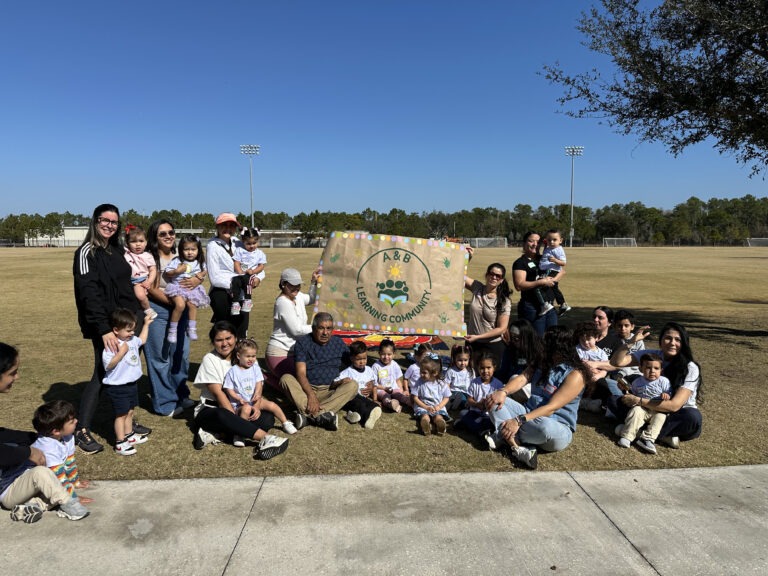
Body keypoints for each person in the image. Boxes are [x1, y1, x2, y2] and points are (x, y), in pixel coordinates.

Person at [73, 203, 144, 454]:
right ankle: (81, 430)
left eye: (114, 222)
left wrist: (138, 314)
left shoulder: (115, 250)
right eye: (105, 220)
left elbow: (125, 284)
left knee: (128, 368)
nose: (109, 225)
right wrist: (104, 329)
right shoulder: (86, 252)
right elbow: (88, 293)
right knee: (102, 373)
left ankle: (126, 423)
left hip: (128, 322)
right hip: (105, 326)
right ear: (95, 221)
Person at [0, 343, 90, 522]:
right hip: (8, 489)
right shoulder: (49, 446)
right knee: (44, 474)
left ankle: (32, 507)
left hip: (22, 486)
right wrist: (28, 451)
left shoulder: (63, 438)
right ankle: (69, 505)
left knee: (48, 484)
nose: (17, 377)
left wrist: (32, 438)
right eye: (12, 373)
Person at [484, 326, 590, 470]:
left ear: (559, 348)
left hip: (555, 426)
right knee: (493, 399)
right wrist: (503, 391)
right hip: (527, 414)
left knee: (543, 427)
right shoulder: (542, 361)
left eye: (547, 344)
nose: (542, 347)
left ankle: (502, 434)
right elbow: (522, 378)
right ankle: (518, 446)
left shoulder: (575, 375)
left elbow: (550, 408)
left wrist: (517, 420)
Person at [193, 322, 289, 460]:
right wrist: (236, 421)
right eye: (219, 340)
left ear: (235, 338)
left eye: (228, 338)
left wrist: (255, 407)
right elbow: (219, 395)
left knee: (267, 419)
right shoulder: (210, 359)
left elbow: (258, 385)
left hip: (243, 407)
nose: (225, 343)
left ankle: (218, 434)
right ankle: (267, 439)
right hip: (214, 410)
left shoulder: (247, 355)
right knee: (223, 415)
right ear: (213, 342)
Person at [609, 322, 704, 448]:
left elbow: (674, 406)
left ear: (683, 343)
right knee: (613, 400)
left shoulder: (690, 368)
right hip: (644, 409)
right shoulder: (652, 356)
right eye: (668, 338)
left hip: (671, 413)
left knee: (693, 418)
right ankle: (660, 436)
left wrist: (637, 400)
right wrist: (631, 341)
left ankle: (633, 431)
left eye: (677, 340)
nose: (672, 343)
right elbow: (616, 361)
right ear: (661, 340)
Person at [144, 219, 197, 418]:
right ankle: (165, 404)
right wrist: (174, 302)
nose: (168, 236)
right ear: (154, 238)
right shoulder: (150, 257)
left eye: (171, 232)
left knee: (181, 355)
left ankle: (181, 394)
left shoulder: (180, 255)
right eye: (162, 234)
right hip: (160, 310)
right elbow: (151, 287)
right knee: (160, 357)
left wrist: (197, 279)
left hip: (181, 310)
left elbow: (195, 273)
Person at [278, 312, 360, 431]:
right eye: (321, 328)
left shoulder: (338, 343)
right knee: (285, 379)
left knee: (352, 386)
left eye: (329, 328)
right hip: (306, 390)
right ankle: (322, 415)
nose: (325, 332)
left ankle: (311, 416)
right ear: (313, 328)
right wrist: (311, 395)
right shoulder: (303, 343)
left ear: (333, 329)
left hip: (330, 390)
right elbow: (300, 373)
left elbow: (355, 363)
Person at [222, 338, 297, 447]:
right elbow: (228, 389)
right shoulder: (233, 371)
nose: (251, 359)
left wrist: (257, 394)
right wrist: (238, 398)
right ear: (238, 356)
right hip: (240, 404)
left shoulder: (255, 368)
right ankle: (239, 434)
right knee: (246, 409)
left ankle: (285, 423)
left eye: (253, 356)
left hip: (255, 400)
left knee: (272, 405)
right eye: (248, 356)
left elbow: (258, 383)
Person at [102, 308, 154, 456]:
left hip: (131, 384)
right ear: (116, 330)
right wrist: (121, 353)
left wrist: (146, 325)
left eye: (133, 329)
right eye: (128, 330)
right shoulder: (112, 344)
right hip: (117, 386)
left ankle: (129, 435)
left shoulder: (131, 340)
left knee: (130, 411)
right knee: (121, 415)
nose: (132, 333)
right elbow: (108, 365)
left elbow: (142, 340)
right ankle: (120, 442)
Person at [264, 267, 320, 389]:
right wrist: (318, 327)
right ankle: (263, 377)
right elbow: (297, 330)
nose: (297, 288)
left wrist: (314, 282)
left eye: (298, 284)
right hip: (279, 352)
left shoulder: (298, 296)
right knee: (296, 387)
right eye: (293, 285)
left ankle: (268, 377)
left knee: (306, 381)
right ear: (283, 284)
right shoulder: (282, 302)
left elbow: (311, 298)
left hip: (295, 352)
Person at [30, 400, 93, 503]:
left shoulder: (66, 436)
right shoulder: (48, 448)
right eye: (72, 422)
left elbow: (70, 461)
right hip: (34, 483)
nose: (76, 421)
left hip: (50, 479)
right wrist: (72, 497)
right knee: (45, 499)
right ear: (56, 431)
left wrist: (75, 482)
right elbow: (59, 476)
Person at [616, 353, 671, 454]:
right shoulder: (637, 382)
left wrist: (666, 395)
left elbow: (668, 394)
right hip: (642, 408)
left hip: (657, 409)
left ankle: (647, 439)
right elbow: (633, 396)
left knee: (661, 417)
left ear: (661, 370)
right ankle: (627, 437)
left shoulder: (664, 381)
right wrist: (626, 393)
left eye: (656, 368)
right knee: (635, 411)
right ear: (641, 369)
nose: (652, 371)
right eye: (648, 368)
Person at [463, 253, 512, 366]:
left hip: (492, 346)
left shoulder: (504, 301)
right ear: (487, 275)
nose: (494, 277)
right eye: (491, 274)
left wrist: (478, 337)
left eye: (498, 276)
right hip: (472, 344)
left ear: (501, 280)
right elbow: (459, 274)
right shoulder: (477, 287)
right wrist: (468, 258)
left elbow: (501, 328)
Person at [206, 213, 249, 338]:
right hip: (221, 293)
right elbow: (214, 277)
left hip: (240, 293)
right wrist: (237, 282)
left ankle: (239, 356)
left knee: (241, 331)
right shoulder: (212, 246)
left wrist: (254, 278)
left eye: (232, 226)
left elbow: (249, 261)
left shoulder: (238, 242)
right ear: (217, 227)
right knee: (226, 332)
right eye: (224, 225)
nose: (228, 228)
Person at [164, 234, 210, 343]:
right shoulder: (177, 260)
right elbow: (168, 272)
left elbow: (205, 270)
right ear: (181, 250)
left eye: (193, 249)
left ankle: (192, 328)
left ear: (198, 250)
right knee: (180, 305)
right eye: (186, 249)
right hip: (177, 287)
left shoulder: (199, 262)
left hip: (192, 289)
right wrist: (176, 271)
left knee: (192, 305)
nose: (190, 252)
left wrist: (200, 276)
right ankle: (172, 330)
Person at [512, 231, 559, 335]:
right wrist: (540, 282)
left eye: (538, 242)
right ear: (524, 243)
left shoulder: (544, 259)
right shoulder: (520, 263)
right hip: (532, 308)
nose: (535, 244)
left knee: (553, 339)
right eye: (531, 241)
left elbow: (560, 271)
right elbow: (519, 285)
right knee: (537, 340)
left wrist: (553, 280)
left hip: (550, 306)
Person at [335, 340, 384, 428]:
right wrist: (341, 382)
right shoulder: (347, 372)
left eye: (364, 358)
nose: (362, 362)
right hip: (351, 398)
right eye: (358, 359)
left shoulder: (369, 370)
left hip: (365, 398)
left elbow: (374, 384)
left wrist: (374, 396)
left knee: (370, 404)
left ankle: (352, 416)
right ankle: (366, 419)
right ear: (351, 358)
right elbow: (335, 383)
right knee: (357, 403)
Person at [456, 352, 504, 434]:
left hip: (489, 415)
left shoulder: (498, 385)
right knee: (463, 414)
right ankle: (480, 430)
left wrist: (489, 404)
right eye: (482, 368)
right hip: (475, 412)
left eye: (488, 368)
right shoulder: (474, 382)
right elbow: (469, 399)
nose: (485, 371)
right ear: (477, 368)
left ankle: (474, 428)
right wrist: (477, 404)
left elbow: (501, 402)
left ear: (494, 368)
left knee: (491, 423)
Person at [496, 319, 541, 404]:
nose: (513, 341)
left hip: (529, 388)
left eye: (516, 338)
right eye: (512, 337)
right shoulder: (510, 350)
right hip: (509, 385)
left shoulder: (537, 351)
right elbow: (503, 372)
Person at [410, 354, 451, 436]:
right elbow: (415, 397)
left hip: (437, 406)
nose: (421, 374)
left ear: (435, 373)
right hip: (423, 406)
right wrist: (425, 407)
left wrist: (439, 406)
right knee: (424, 415)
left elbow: (446, 397)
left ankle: (440, 424)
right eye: (420, 371)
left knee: (438, 416)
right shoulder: (419, 382)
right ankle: (425, 425)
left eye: (424, 372)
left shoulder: (442, 384)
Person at [123, 224, 158, 319]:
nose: (138, 244)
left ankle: (148, 309)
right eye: (133, 241)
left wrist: (149, 281)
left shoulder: (148, 256)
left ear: (146, 242)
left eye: (141, 241)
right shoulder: (126, 253)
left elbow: (153, 269)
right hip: (129, 281)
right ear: (127, 243)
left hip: (140, 281)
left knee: (140, 295)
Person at [535, 229, 572, 317]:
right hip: (547, 269)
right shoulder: (549, 248)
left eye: (554, 240)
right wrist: (544, 243)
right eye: (549, 240)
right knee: (554, 288)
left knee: (538, 286)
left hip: (550, 270)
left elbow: (563, 263)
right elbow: (545, 252)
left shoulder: (558, 249)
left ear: (561, 240)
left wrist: (555, 260)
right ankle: (563, 304)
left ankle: (545, 304)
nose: (551, 242)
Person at [231, 226, 267, 315]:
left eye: (254, 243)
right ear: (243, 241)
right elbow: (236, 262)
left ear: (257, 241)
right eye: (248, 243)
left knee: (248, 280)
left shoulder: (259, 253)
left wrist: (253, 271)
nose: (251, 246)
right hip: (241, 274)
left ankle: (248, 300)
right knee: (235, 281)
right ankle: (235, 303)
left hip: (252, 275)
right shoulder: (239, 250)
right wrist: (239, 272)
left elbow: (261, 266)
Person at [372, 339, 409, 413]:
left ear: (393, 354)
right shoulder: (376, 366)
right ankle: (392, 404)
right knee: (386, 398)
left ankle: (412, 403)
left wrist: (401, 391)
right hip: (381, 390)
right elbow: (374, 384)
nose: (386, 357)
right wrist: (384, 388)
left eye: (389, 354)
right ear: (379, 353)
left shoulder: (394, 364)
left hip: (394, 388)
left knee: (402, 397)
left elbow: (398, 380)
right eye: (383, 354)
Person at [613, 309, 645, 386]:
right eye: (620, 326)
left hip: (635, 373)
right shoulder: (613, 340)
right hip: (617, 373)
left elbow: (641, 361)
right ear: (614, 326)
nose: (623, 329)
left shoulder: (638, 341)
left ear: (632, 326)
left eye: (626, 325)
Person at [444, 344, 472, 411]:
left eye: (465, 360)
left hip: (466, 393)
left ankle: (459, 405)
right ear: (455, 359)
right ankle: (455, 404)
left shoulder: (471, 371)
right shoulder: (451, 371)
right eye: (460, 360)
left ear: (469, 359)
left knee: (469, 400)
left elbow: (473, 384)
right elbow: (447, 384)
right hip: (454, 392)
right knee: (458, 397)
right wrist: (447, 395)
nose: (463, 363)